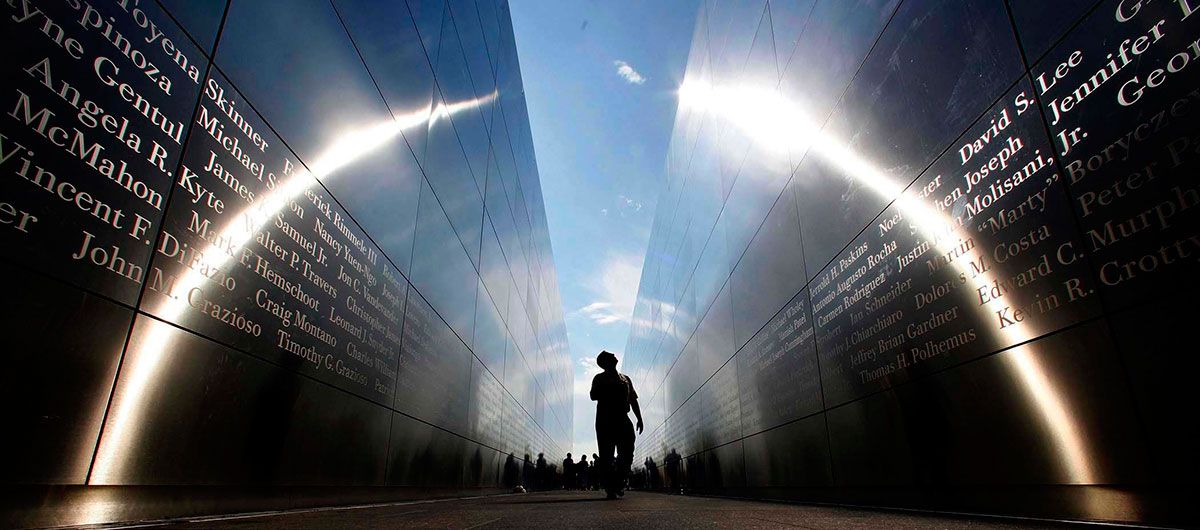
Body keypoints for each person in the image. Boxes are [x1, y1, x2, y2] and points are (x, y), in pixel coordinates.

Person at [590, 350, 643, 499]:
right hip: (605, 419)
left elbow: (633, 399)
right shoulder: (599, 378)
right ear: (605, 362)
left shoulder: (626, 379)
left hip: (623, 419)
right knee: (606, 455)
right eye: (610, 355)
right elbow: (593, 395)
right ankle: (611, 488)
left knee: (627, 452)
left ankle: (619, 481)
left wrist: (639, 418)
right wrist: (609, 387)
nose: (614, 355)